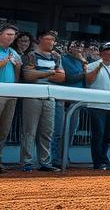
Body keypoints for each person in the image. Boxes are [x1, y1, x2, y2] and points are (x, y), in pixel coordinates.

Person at [19, 30, 65, 172]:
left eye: (53, 40)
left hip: (50, 96)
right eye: (48, 39)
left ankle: (45, 162)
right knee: (29, 130)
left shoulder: (56, 57)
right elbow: (28, 75)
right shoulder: (31, 55)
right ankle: (26, 162)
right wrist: (51, 73)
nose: (52, 42)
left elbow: (62, 77)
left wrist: (40, 74)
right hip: (32, 96)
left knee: (47, 131)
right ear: (40, 39)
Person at [82, 42, 110, 170]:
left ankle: (104, 159)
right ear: (101, 53)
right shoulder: (91, 65)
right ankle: (99, 161)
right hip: (96, 105)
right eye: (107, 53)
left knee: (108, 135)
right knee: (98, 134)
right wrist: (98, 67)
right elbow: (88, 80)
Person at [51, 40, 88, 165]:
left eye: (81, 46)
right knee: (58, 131)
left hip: (77, 100)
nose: (78, 48)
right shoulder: (62, 59)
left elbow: (87, 81)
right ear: (69, 48)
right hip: (62, 99)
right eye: (75, 46)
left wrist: (84, 65)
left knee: (71, 131)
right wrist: (84, 73)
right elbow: (67, 78)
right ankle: (55, 158)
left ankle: (64, 157)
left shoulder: (84, 61)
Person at [0, 24, 22, 174]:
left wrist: (17, 66)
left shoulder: (14, 52)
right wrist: (6, 61)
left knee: (4, 129)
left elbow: (18, 74)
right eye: (8, 34)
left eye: (13, 35)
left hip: (11, 93)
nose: (11, 37)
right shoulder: (8, 54)